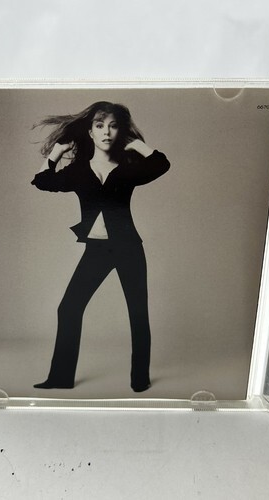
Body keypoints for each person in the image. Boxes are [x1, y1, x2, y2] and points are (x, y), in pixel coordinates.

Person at [31, 101, 170, 392]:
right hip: (97, 250)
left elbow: (161, 164)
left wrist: (136, 144)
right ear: (90, 132)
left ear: (120, 131)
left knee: (138, 312)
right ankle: (61, 377)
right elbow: (42, 181)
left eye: (113, 126)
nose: (106, 132)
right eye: (99, 125)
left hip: (129, 248)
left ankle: (140, 379)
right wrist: (57, 152)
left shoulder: (129, 169)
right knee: (69, 308)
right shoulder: (79, 172)